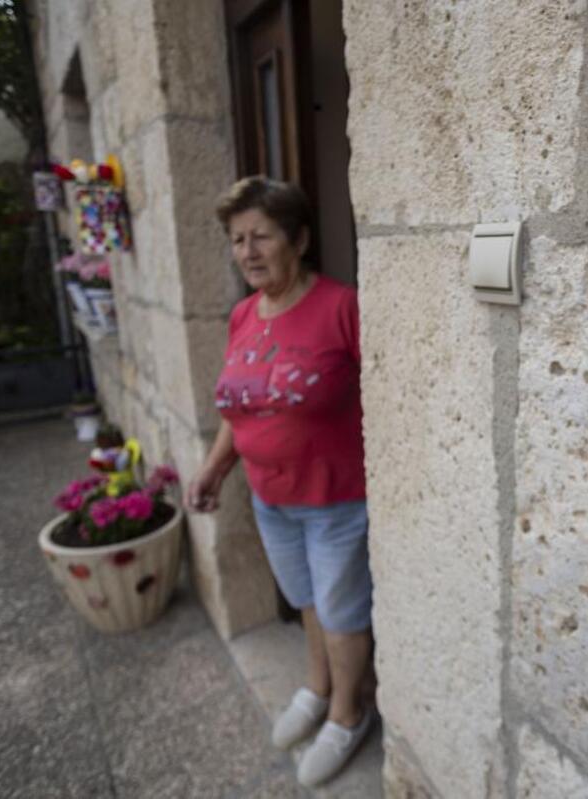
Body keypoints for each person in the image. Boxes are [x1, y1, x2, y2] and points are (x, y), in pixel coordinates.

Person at [186, 177, 373, 787]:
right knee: (308, 602)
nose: (248, 251)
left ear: (299, 238)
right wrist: (215, 467)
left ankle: (349, 713)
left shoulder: (341, 306)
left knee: (341, 611)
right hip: (271, 499)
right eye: (237, 239)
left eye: (261, 235)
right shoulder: (244, 313)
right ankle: (318, 688)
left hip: (334, 499)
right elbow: (237, 407)